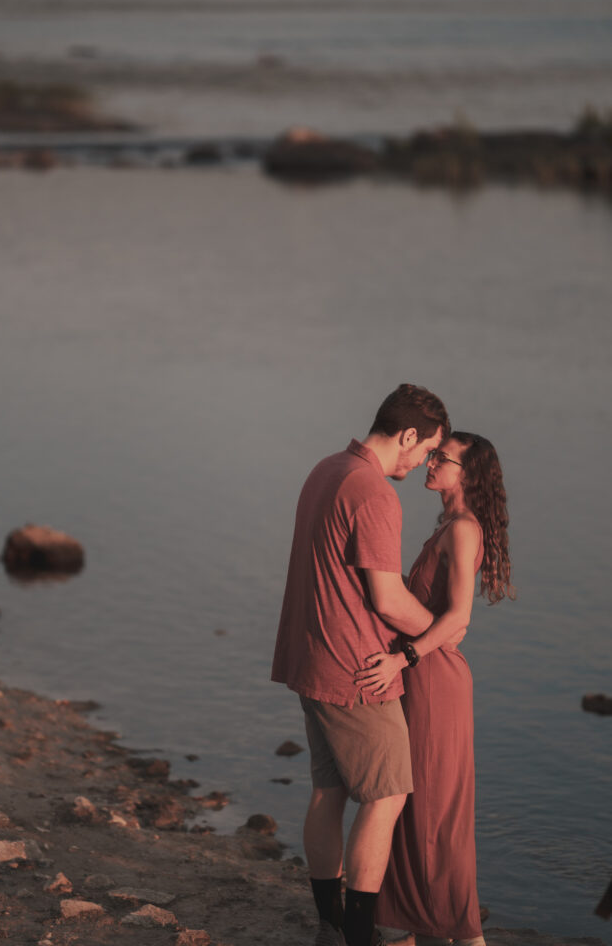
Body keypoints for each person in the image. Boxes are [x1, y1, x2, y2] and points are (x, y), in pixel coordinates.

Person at [271, 384, 450, 946]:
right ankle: (357, 934)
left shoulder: (327, 469)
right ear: (407, 435)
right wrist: (442, 634)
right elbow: (388, 599)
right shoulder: (374, 493)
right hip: (356, 668)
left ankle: (329, 927)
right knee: (388, 794)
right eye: (426, 450)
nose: (424, 461)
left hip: (309, 656)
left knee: (329, 791)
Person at [354, 432, 514, 946]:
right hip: (424, 674)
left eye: (441, 459)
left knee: (431, 809)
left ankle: (459, 932)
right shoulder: (449, 524)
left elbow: (459, 619)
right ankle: (411, 925)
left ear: (465, 474)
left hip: (433, 679)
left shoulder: (463, 529)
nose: (430, 461)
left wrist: (403, 657)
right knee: (412, 802)